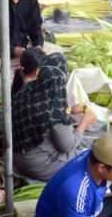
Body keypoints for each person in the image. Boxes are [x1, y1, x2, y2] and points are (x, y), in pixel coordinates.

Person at [12, 49, 96, 180]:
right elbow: (67, 147)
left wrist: (69, 110)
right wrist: (84, 122)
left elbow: (42, 111)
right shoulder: (55, 110)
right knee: (84, 156)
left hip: (17, 156)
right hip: (37, 166)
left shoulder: (25, 89)